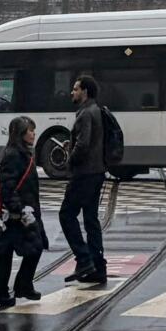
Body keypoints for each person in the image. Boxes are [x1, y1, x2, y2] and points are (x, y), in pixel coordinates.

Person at [0, 115, 46, 310]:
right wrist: (19, 210)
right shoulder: (14, 155)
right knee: (11, 253)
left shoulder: (24, 153)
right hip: (15, 216)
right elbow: (8, 186)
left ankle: (15, 287)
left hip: (23, 212)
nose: (33, 134)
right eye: (30, 130)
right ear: (21, 134)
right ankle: (3, 292)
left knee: (29, 248)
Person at [60, 73, 108, 286]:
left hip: (84, 174)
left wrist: (70, 160)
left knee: (66, 215)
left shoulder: (86, 114)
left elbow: (84, 144)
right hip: (96, 171)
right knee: (90, 219)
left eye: (76, 88)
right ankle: (98, 267)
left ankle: (84, 259)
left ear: (85, 91)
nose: (72, 92)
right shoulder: (96, 110)